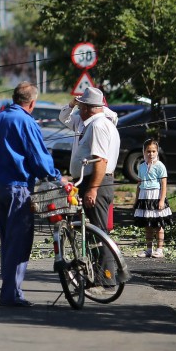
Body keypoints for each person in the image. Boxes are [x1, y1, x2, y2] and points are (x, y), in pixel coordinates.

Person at [0, 81, 63, 307]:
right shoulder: (26, 122)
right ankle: (11, 294)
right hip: (19, 188)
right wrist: (56, 177)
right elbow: (38, 157)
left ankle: (10, 290)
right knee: (19, 241)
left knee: (7, 240)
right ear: (32, 103)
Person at [67, 85, 121, 287]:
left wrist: (92, 188)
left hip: (97, 183)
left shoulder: (98, 126)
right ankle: (98, 275)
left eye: (82, 107)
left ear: (89, 108)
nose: (79, 111)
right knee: (93, 232)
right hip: (95, 182)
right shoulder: (99, 124)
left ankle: (106, 277)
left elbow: (101, 161)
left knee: (99, 233)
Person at [133, 138, 172, 257]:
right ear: (144, 152)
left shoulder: (160, 166)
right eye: (148, 151)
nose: (151, 154)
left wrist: (161, 200)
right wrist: (136, 199)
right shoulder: (142, 166)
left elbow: (164, 185)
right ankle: (149, 249)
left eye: (154, 151)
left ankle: (159, 249)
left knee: (158, 224)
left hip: (156, 196)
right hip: (144, 196)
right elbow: (139, 184)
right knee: (147, 225)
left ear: (157, 152)